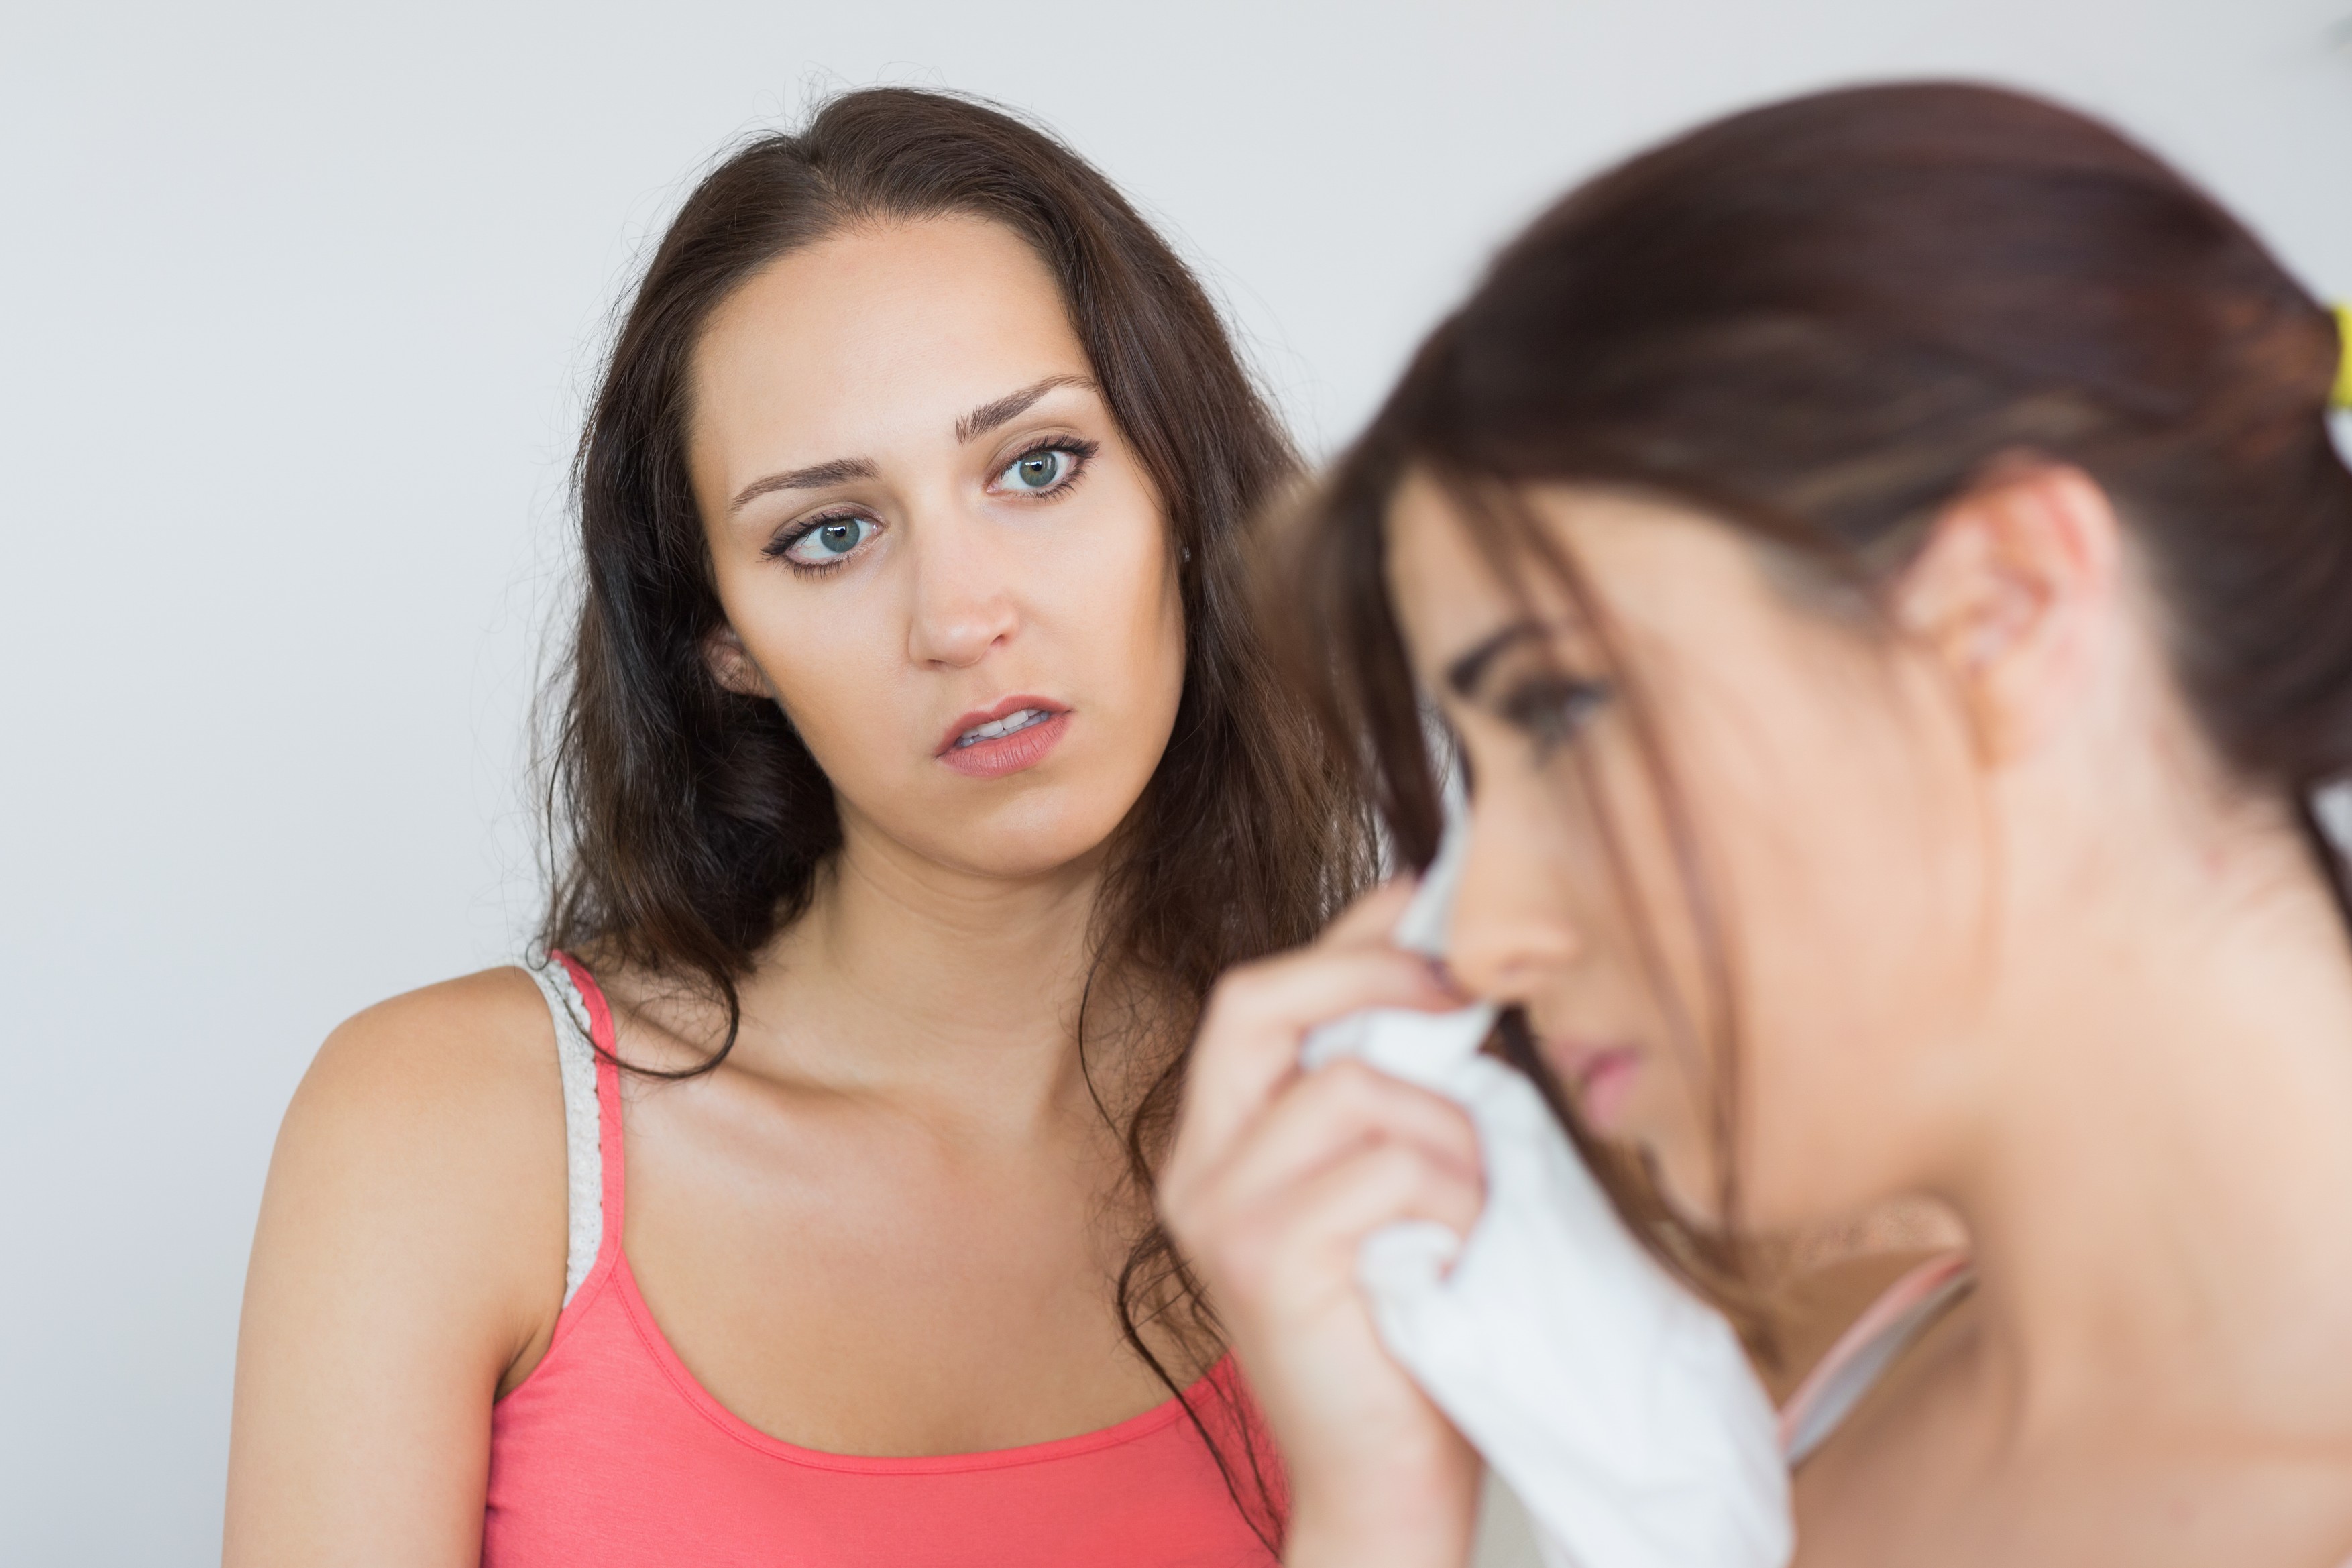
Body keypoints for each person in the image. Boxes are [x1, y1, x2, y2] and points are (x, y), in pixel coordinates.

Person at [1162, 82, 2352, 1567]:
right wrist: (1383, 1516)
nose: (1475, 933)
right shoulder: (1754, 1452)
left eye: (1559, 712)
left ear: (2001, 610)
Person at [225, 87, 1365, 1567]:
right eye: (828, 532)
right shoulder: (449, 1133)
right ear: (723, 639)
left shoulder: (1388, 1135)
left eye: (1037, 465)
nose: (963, 616)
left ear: (1181, 493)